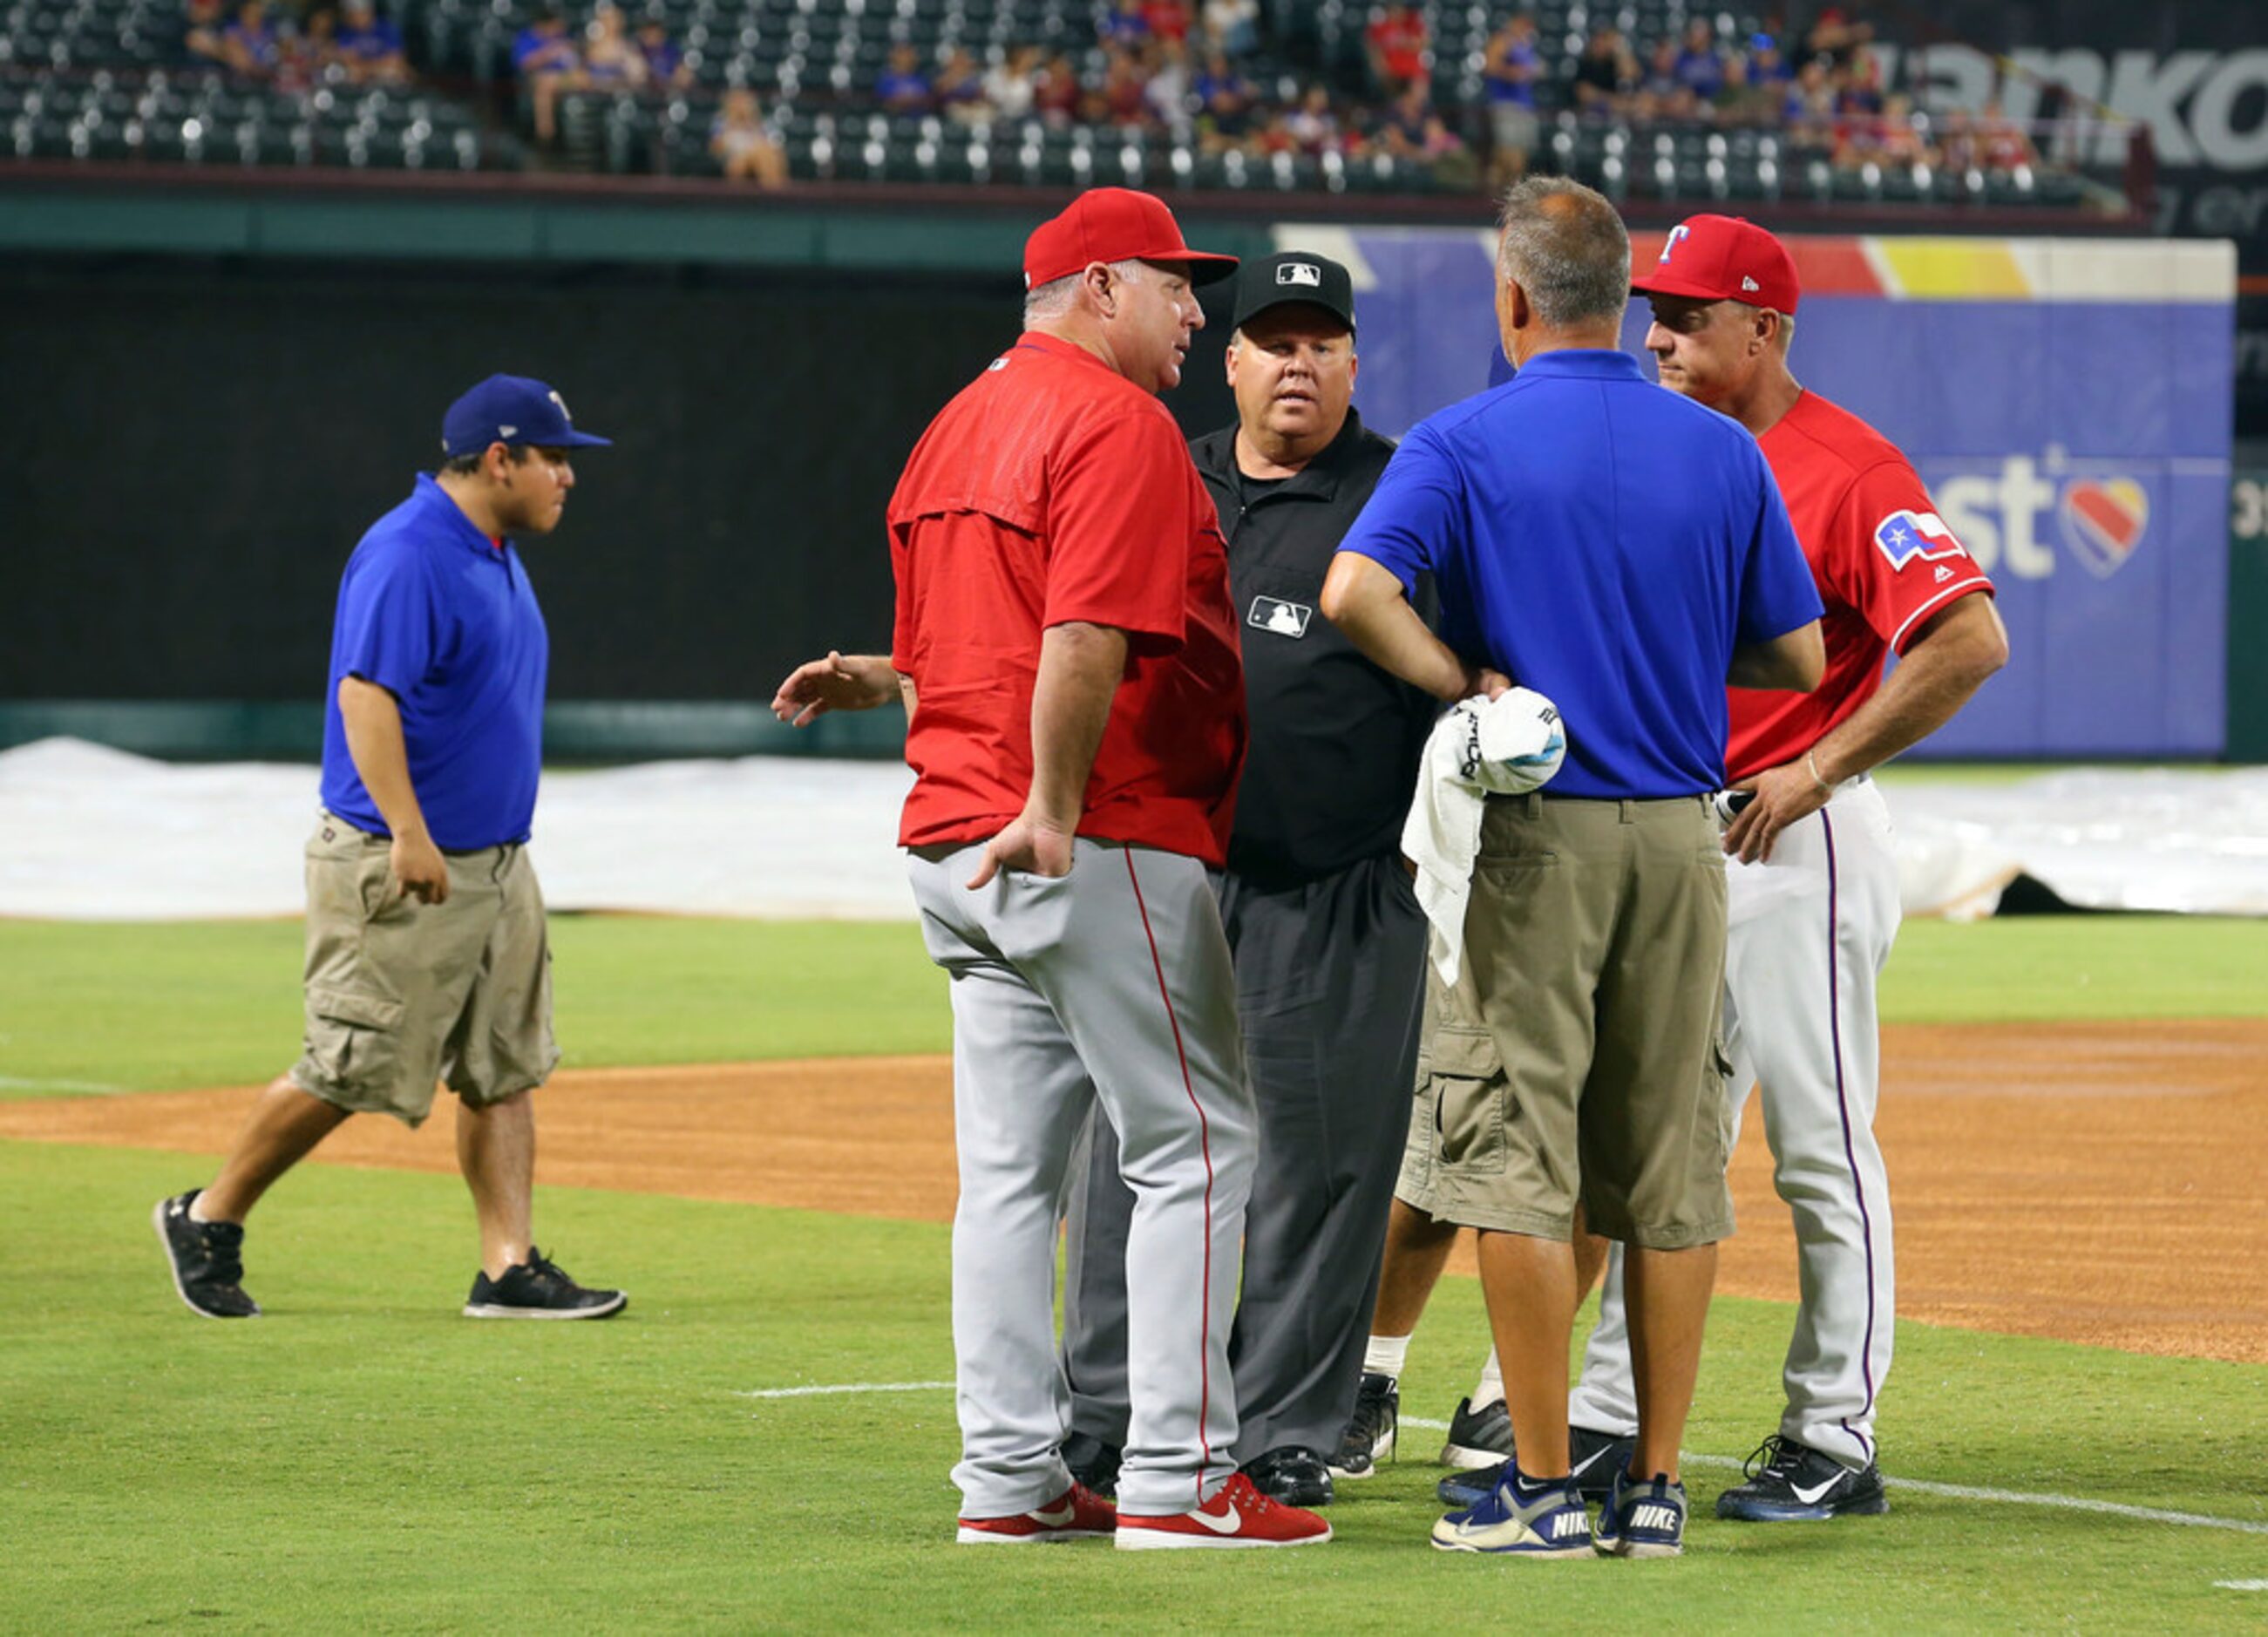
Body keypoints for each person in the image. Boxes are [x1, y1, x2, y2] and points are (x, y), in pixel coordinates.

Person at [769, 189, 1331, 1552]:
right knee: (1199, 1147)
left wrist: (884, 677)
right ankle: (1180, 1480)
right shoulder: (1116, 424)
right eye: (1174, 286)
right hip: (1091, 831)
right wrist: (1061, 804)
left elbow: (983, 633)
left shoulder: (953, 423)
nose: (1198, 313)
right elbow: (1082, 633)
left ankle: (1009, 1476)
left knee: (1013, 1177)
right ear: (1096, 289)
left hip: (952, 842)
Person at [1321, 178, 1825, 1559]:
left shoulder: (1462, 436)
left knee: (1512, 1164)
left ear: (1512, 299)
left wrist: (1460, 684)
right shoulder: (1721, 450)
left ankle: (1538, 1490)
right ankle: (1651, 1488)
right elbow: (1798, 657)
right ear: (1622, 297)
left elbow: (1353, 590)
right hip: (1682, 838)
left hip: (1533, 839)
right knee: (1668, 1174)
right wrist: (1660, 647)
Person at [1535, 214, 2007, 1524]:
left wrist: (1822, 765)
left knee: (1817, 1148)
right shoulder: (1663, 450)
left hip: (1800, 839)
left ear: (1766, 329)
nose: (1660, 338)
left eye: (1690, 318)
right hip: (1684, 837)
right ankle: (1614, 1418)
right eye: (1653, 313)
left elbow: (1966, 637)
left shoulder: (1846, 467)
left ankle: (1832, 1433)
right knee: (1655, 1150)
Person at [1051, 255, 1436, 1512]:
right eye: (1272, 340)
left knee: (1322, 1168)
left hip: (1336, 881)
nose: (1295, 363)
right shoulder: (1163, 467)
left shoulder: (1400, 491)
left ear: (1351, 363)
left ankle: (1282, 1426)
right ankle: (1108, 1416)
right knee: (1126, 1151)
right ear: (1229, 360)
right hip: (1167, 872)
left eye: (1320, 342)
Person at [154, 377, 625, 1325]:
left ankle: (507, 1267)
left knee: (504, 1065)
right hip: (398, 858)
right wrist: (408, 832)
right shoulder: (410, 552)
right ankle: (208, 1216)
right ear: (501, 459)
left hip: (495, 862)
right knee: (351, 1067)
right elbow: (365, 698)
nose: (567, 476)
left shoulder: (486, 549)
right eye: (554, 456)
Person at [1481, 16, 1540, 187]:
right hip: (1505, 104)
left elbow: (1531, 71)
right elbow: (1489, 66)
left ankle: (1510, 200)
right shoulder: (1502, 40)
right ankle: (1492, 197)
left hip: (1525, 105)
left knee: (1520, 160)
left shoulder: (1527, 44)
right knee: (1506, 156)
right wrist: (1511, 72)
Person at [710, 88, 788, 187]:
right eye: (738, 102)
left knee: (770, 154)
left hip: (757, 157)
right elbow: (716, 148)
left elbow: (768, 143)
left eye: (746, 103)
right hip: (734, 159)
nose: (742, 106)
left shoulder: (759, 124)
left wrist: (750, 125)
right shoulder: (720, 123)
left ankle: (774, 188)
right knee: (759, 154)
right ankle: (773, 189)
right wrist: (733, 125)